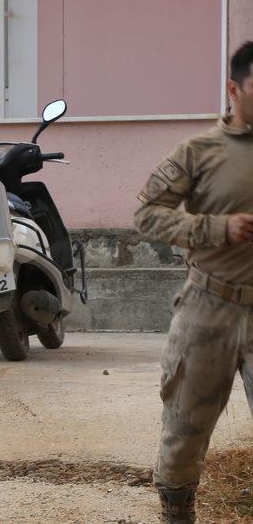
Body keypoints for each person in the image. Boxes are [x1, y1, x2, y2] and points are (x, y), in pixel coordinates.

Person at [134, 41, 253, 524]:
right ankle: (178, 510)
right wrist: (215, 229)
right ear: (234, 90)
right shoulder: (198, 152)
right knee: (185, 429)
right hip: (209, 307)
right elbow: (147, 214)